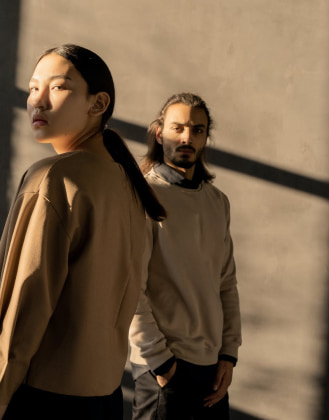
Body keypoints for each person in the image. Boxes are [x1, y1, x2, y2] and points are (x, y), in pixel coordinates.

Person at [0, 44, 166, 420]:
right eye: (32, 88)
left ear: (98, 103)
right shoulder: (126, 180)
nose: (37, 101)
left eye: (58, 87)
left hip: (44, 397)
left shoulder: (54, 177)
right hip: (104, 396)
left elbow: (27, 304)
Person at [128, 92, 242, 419]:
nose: (187, 137)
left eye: (197, 130)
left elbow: (226, 283)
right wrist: (160, 363)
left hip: (212, 369)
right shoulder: (143, 196)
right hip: (164, 368)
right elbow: (130, 286)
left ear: (206, 138)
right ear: (159, 133)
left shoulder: (218, 202)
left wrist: (228, 355)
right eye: (177, 128)